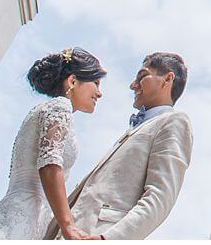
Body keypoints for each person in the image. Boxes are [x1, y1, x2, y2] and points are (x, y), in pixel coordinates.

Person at [45, 52, 194, 240]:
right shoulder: (136, 128)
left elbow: (160, 197)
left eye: (141, 76)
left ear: (168, 79)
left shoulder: (175, 122)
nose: (133, 85)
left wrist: (109, 239)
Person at [0, 48, 106, 240]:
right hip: (21, 221)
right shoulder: (60, 107)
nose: (99, 93)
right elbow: (49, 164)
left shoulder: (47, 110)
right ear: (73, 81)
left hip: (23, 217)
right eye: (96, 83)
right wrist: (68, 225)